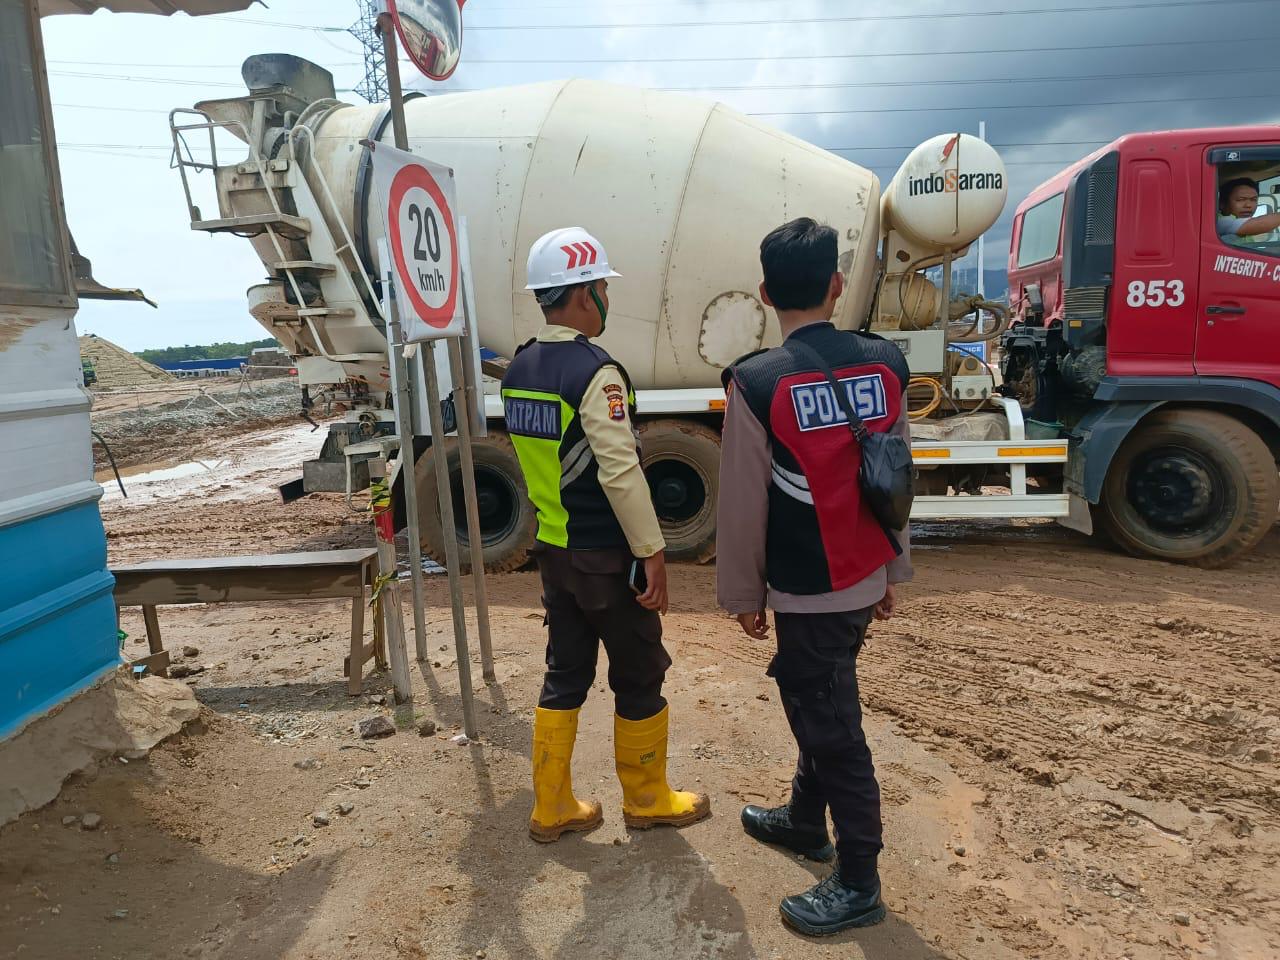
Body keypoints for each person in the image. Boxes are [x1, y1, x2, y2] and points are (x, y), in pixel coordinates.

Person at [716, 218, 912, 936]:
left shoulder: (758, 381)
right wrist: (892, 568)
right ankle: (804, 819)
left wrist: (743, 593)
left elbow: (743, 503)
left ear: (766, 294)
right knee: (820, 699)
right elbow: (896, 477)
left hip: (808, 588)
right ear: (837, 284)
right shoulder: (885, 364)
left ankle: (858, 881)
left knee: (831, 727)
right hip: (862, 575)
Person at [502, 226, 711, 843]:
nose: (606, 299)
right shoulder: (595, 373)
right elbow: (620, 472)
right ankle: (648, 799)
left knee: (565, 672)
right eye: (602, 288)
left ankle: (551, 807)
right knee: (640, 671)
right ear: (584, 293)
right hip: (605, 558)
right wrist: (653, 553)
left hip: (555, 553)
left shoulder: (519, 369)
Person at [1217, 177, 1280, 245]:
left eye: (1253, 200)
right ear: (1222, 204)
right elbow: (1260, 224)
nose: (1248, 205)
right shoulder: (1218, 222)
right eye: (1240, 200)